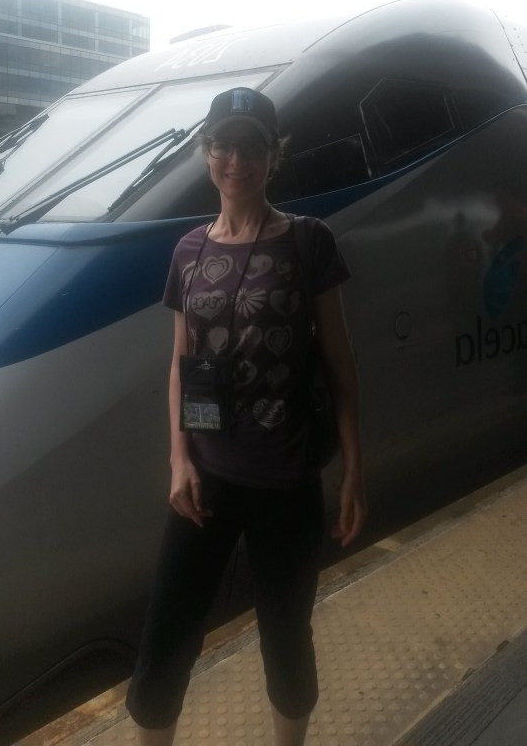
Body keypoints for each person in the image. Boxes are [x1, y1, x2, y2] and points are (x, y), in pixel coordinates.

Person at [126, 87, 366, 746]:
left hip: (286, 484)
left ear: (273, 156)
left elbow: (341, 365)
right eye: (224, 146)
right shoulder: (188, 252)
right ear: (208, 154)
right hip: (204, 481)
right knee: (166, 638)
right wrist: (178, 459)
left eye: (252, 147)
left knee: (286, 640)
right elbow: (182, 364)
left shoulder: (309, 241)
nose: (237, 160)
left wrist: (353, 470)